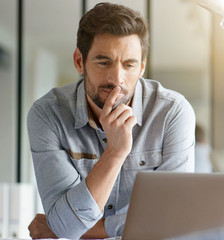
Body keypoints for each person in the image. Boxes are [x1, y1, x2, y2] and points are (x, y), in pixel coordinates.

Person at [27, 3, 195, 239]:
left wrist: (80, 228)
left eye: (129, 64)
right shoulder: (48, 115)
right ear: (79, 61)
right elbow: (66, 226)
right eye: (103, 62)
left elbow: (174, 220)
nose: (117, 79)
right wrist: (115, 153)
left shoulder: (172, 113)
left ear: (142, 67)